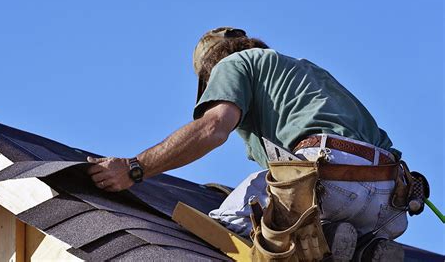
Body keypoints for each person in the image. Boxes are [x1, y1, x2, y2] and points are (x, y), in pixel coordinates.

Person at [87, 27, 407, 261]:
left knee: (228, 227)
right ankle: (353, 245)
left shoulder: (234, 64)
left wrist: (134, 169)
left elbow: (213, 128)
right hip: (388, 205)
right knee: (314, 242)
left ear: (211, 73)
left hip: (327, 175)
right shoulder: (309, 76)